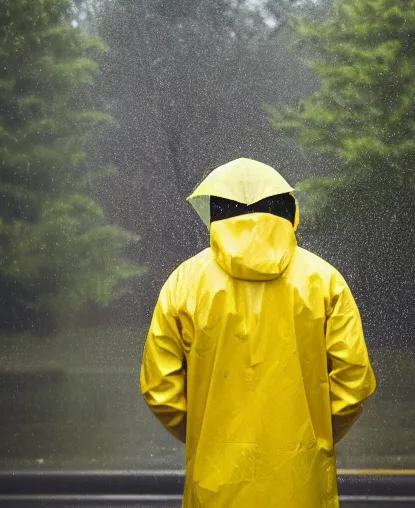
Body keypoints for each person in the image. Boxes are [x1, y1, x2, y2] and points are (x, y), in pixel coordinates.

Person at [140, 158, 376, 508]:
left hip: (215, 487)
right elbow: (354, 383)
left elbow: (160, 390)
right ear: (286, 209)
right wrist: (316, 436)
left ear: (216, 212)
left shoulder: (184, 284)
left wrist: (206, 436)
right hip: (300, 485)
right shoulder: (324, 281)